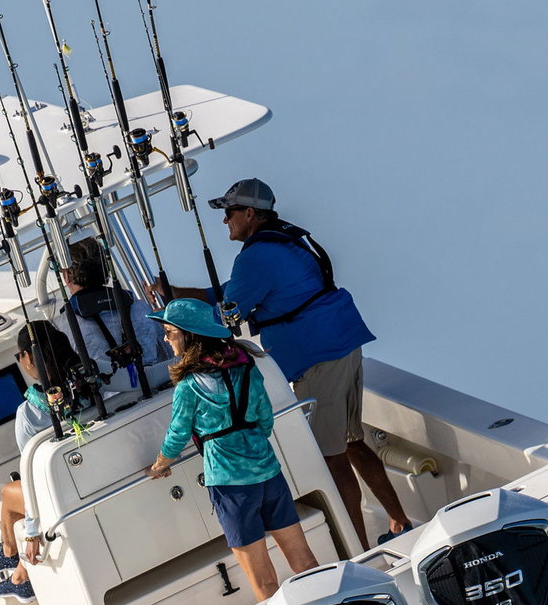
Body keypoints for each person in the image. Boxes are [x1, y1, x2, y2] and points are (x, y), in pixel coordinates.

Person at [157, 178, 413, 548]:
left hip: (317, 357)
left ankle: (359, 550)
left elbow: (223, 317)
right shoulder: (281, 241)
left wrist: (175, 321)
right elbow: (229, 291)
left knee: (332, 457)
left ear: (248, 213)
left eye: (229, 213)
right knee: (353, 442)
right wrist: (179, 294)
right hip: (342, 342)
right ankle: (399, 521)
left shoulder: (255, 256)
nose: (225, 221)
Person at [145, 298, 319, 602]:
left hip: (230, 486)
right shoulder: (247, 367)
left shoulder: (189, 386)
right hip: (269, 475)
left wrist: (160, 465)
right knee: (304, 561)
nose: (166, 339)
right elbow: (265, 419)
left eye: (170, 332)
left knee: (263, 580)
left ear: (188, 336)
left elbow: (177, 435)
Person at [0, 320, 80, 603]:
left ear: (26, 358)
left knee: (9, 492)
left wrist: (32, 534)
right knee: (13, 492)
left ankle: (13, 559)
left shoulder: (29, 414)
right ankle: (13, 562)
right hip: (94, 479)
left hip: (59, 499)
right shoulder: (101, 384)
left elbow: (33, 480)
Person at [60, 238, 167, 391]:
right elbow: (169, 354)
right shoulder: (139, 307)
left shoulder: (63, 326)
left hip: (113, 409)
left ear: (67, 276)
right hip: (159, 395)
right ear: (106, 269)